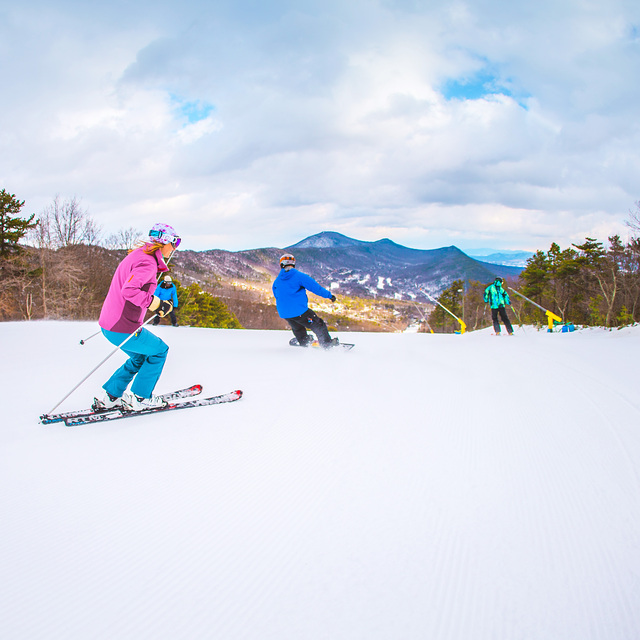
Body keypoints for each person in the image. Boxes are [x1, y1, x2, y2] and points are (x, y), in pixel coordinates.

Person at [93, 223, 181, 411]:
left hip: (110, 324)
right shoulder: (147, 262)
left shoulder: (139, 255)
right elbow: (130, 290)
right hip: (122, 326)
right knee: (159, 351)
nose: (175, 248)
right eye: (175, 243)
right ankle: (141, 398)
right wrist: (156, 304)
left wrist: (154, 301)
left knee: (140, 357)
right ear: (165, 242)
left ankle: (111, 396)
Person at [272, 253, 339, 348]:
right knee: (318, 324)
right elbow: (315, 288)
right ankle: (326, 343)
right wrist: (329, 296)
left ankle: (304, 341)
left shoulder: (277, 281)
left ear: (281, 264)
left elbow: (277, 295)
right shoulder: (299, 276)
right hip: (299, 311)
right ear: (293, 263)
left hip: (284, 312)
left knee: (297, 327)